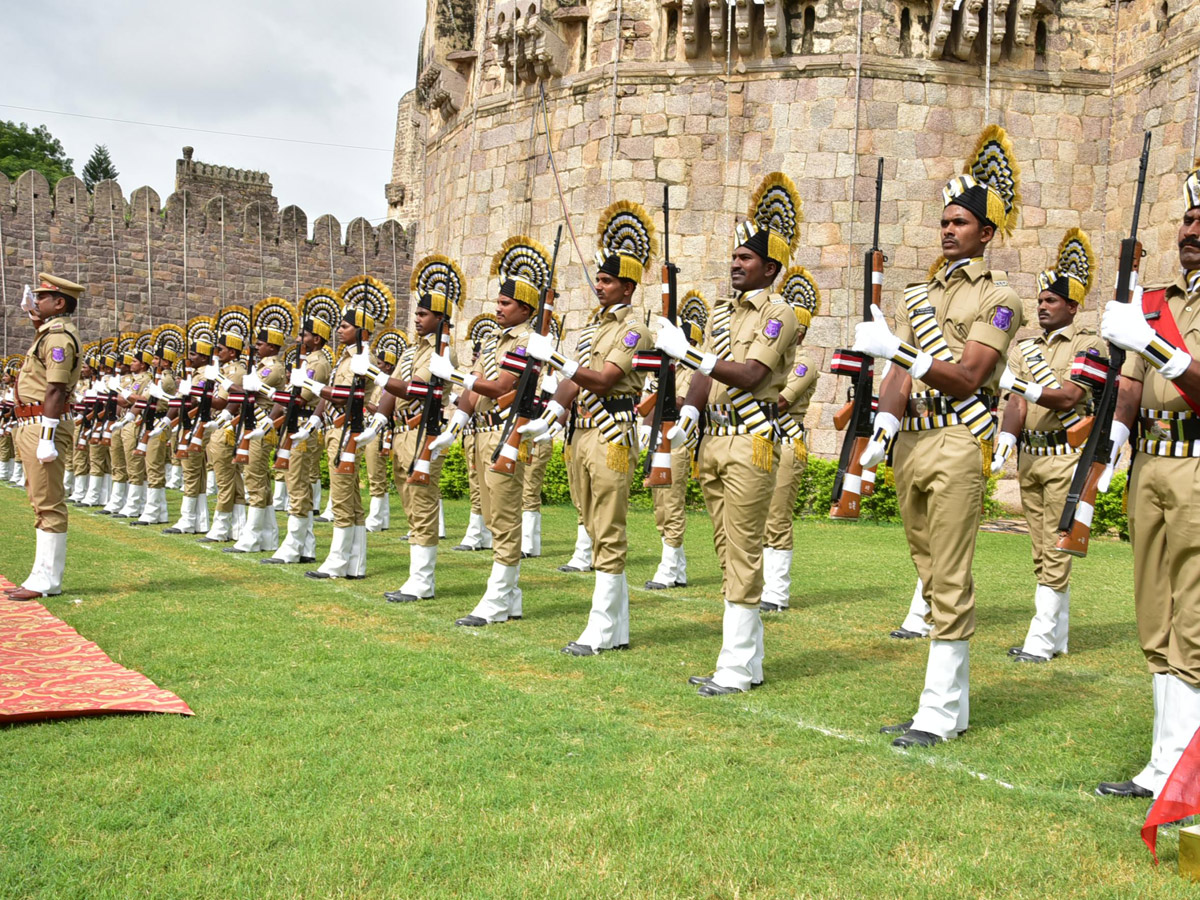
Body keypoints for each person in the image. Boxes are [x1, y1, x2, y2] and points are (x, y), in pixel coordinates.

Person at [853, 127, 1023, 746]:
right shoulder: (921, 294)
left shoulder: (1000, 298)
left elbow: (972, 373)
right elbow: (900, 370)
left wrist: (901, 350)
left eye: (960, 222)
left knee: (949, 574)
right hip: (913, 442)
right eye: (944, 221)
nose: (948, 230)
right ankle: (943, 704)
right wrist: (885, 425)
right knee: (927, 574)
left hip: (957, 438)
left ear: (986, 232)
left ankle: (941, 712)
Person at [656, 172, 802, 694]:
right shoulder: (721, 313)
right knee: (725, 548)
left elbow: (750, 376)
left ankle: (736, 668)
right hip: (715, 438)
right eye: (734, 257)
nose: (735, 264)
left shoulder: (779, 314)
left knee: (742, 549)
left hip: (751, 438)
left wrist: (690, 352)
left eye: (745, 258)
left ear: (770, 268)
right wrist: (691, 414)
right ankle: (749, 660)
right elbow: (704, 376)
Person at [1093, 161, 1200, 799]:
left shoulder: (1160, 319)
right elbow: (1130, 382)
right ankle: (1163, 765)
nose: (1190, 228)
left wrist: (1158, 347)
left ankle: (1187, 774)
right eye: (1186, 218)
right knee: (1155, 613)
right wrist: (1113, 443)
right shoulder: (1158, 301)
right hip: (1152, 464)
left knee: (1194, 617)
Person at [522, 202, 655, 654]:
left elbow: (602, 380)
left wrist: (555, 357)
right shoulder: (592, 326)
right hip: (579, 432)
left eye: (607, 280)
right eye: (598, 279)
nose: (599, 286)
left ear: (628, 286)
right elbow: (570, 383)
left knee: (608, 526)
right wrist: (551, 416)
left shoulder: (635, 329)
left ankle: (601, 626)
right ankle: (615, 627)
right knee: (590, 523)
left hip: (611, 432)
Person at [990, 228, 1104, 662]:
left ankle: (1041, 637)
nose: (1042, 307)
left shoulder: (1088, 345)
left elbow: (1071, 397)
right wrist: (1006, 435)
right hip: (1031, 456)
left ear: (1072, 307)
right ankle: (1056, 635)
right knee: (1040, 548)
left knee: (1057, 546)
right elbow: (1016, 400)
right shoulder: (1025, 348)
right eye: (1039, 301)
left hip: (1063, 456)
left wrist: (1022, 386)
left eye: (1051, 301)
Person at [426, 235, 547, 626]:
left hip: (505, 431)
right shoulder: (494, 340)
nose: (498, 308)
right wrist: (455, 422)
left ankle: (499, 597)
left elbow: (500, 388)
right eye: (498, 302)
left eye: (506, 303)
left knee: (503, 515)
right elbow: (472, 387)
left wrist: (458, 374)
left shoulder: (528, 341)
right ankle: (510, 595)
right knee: (492, 512)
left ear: (525, 308)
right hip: (479, 432)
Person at [365, 256, 463, 602]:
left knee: (421, 504)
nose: (417, 320)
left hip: (425, 433)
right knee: (409, 503)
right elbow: (395, 391)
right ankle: (416, 577)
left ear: (440, 318)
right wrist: (379, 419)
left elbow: (417, 390)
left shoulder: (442, 354)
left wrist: (376, 375)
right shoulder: (411, 351)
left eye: (423, 315)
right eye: (417, 314)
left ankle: (423, 581)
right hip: (403, 434)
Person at [5, 273, 83, 601]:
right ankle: (40, 575)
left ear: (59, 302)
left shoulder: (59, 336)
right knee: (39, 500)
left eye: (42, 298)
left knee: (49, 501)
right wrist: (34, 315)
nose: (35, 302)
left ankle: (48, 580)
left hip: (43, 424)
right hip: (33, 422)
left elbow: (55, 387)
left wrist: (47, 437)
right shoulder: (48, 333)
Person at [293, 305, 378, 579]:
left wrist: (313, 387)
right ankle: (355, 563)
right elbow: (331, 398)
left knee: (342, 495)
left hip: (347, 430)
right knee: (349, 496)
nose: (339, 330)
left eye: (345, 326)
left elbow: (343, 396)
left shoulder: (363, 358)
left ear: (360, 331)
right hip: (335, 429)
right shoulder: (346, 358)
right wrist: (315, 421)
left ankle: (337, 561)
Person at [761, 267, 822, 612]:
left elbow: (780, 400)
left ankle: (777, 591)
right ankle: (761, 585)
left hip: (786, 440)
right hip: (762, 439)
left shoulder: (803, 363)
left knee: (777, 515)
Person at [643, 292, 709, 591]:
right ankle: (677, 566)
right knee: (660, 505)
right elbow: (647, 403)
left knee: (671, 504)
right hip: (659, 441)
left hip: (678, 442)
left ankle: (669, 567)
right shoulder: (663, 369)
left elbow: (680, 402)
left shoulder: (692, 370)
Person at [261, 298, 335, 566]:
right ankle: (306, 545)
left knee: (298, 483)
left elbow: (302, 399)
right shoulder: (307, 362)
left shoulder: (318, 363)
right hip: (294, 424)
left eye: (304, 334)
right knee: (294, 482)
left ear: (316, 338)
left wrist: (272, 392)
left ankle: (293, 545)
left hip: (304, 425)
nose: (299, 338)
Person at [224, 300, 294, 553]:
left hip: (262, 424)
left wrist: (224, 382)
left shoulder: (273, 368)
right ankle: (267, 535)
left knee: (255, 480)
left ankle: (252, 537)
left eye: (261, 344)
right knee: (256, 479)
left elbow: (248, 391)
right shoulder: (261, 367)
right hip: (252, 423)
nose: (257, 347)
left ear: (272, 346)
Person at [198, 313, 250, 543]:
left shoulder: (234, 371)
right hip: (222, 424)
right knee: (232, 479)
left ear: (232, 352)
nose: (217, 353)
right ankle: (238, 528)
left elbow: (224, 402)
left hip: (227, 426)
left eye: (221, 349)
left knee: (224, 478)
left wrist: (201, 396)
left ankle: (220, 528)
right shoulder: (228, 370)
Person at [163, 320, 216, 536]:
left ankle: (188, 519)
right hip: (189, 425)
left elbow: (195, 401)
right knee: (194, 472)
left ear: (203, 357)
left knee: (192, 471)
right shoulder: (195, 374)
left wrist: (187, 392)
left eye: (193, 354)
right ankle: (199, 520)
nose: (190, 358)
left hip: (197, 425)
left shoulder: (203, 376)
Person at [452, 320, 496, 552]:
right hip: (475, 431)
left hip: (493, 429)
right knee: (476, 482)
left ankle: (481, 534)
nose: (474, 357)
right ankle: (479, 532)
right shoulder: (477, 372)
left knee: (492, 488)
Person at [131, 329, 182, 526]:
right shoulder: (158, 379)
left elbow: (154, 400)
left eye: (157, 359)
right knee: (150, 464)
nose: (153, 361)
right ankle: (158, 511)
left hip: (160, 421)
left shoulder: (166, 380)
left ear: (165, 362)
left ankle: (153, 511)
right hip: (152, 421)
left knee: (154, 466)